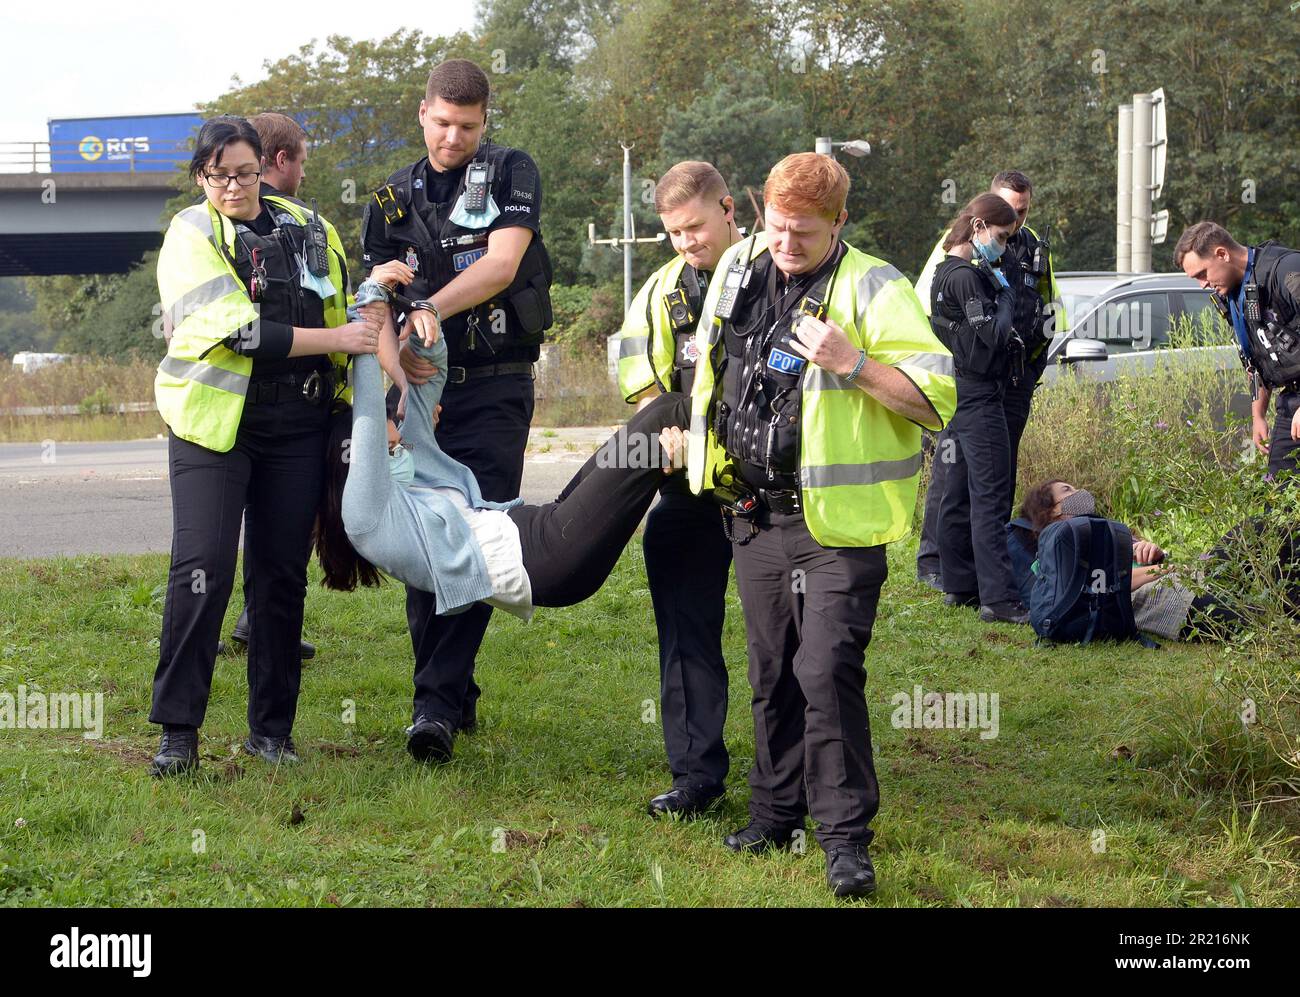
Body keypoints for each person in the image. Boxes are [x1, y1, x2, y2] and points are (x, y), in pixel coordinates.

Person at [686, 153, 957, 898]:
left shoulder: (876, 286)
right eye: (776, 228)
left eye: (803, 233)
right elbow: (713, 364)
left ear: (840, 221)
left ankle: (844, 841)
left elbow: (935, 400)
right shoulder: (739, 266)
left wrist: (854, 362)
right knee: (773, 674)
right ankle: (774, 815)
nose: (786, 244)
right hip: (752, 512)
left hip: (837, 526)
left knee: (826, 671)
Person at [315, 281, 691, 715]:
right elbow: (364, 414)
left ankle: (720, 449)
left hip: (540, 525)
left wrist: (422, 319)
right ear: (353, 455)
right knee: (664, 413)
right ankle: (752, 437)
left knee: (644, 436)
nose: (390, 413)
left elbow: (428, 379)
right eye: (384, 421)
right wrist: (367, 310)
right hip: (547, 560)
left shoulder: (406, 464)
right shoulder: (366, 518)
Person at [148, 116, 382, 777]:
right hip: (213, 429)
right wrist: (338, 343)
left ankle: (271, 732)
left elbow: (346, 319)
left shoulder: (312, 228)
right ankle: (178, 733)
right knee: (204, 569)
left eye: (245, 172)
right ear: (201, 176)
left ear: (263, 168)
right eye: (218, 175)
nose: (233, 186)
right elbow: (242, 334)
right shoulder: (191, 234)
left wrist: (373, 401)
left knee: (281, 577)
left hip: (298, 428)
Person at [360, 58, 553, 762]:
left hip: (497, 382)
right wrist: (396, 373)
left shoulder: (510, 172)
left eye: (467, 126)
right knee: (425, 534)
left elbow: (502, 266)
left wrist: (431, 309)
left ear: (484, 121)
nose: (452, 138)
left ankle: (433, 702)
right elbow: (373, 304)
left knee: (480, 530)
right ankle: (446, 694)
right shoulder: (388, 202)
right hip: (425, 392)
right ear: (422, 113)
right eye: (442, 123)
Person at [611, 161, 740, 819]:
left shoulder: (774, 272)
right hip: (692, 487)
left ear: (728, 208)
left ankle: (796, 771)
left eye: (695, 227)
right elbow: (637, 366)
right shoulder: (664, 289)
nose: (687, 242)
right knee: (687, 630)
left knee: (793, 640)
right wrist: (661, 416)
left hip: (770, 488)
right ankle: (696, 775)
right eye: (674, 233)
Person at [915, 171, 1063, 589]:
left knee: (998, 477)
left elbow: (1050, 307)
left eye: (1023, 210)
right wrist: (951, 374)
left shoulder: (1033, 246)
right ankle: (935, 563)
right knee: (953, 475)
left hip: (1015, 376)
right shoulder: (958, 249)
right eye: (1009, 211)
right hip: (967, 379)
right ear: (984, 210)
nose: (1016, 220)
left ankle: (979, 576)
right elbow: (930, 314)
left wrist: (1033, 367)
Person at [220, 110, 317, 661]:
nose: (302, 172)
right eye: (300, 159)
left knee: (261, 529)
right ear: (280, 160)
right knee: (266, 532)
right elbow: (247, 331)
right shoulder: (297, 227)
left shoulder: (290, 227)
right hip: (255, 408)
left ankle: (256, 620)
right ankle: (258, 619)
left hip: (261, 408)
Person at [930, 192, 1031, 625]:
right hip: (981, 395)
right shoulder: (966, 278)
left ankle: (960, 584)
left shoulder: (941, 273)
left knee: (957, 493)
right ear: (978, 228)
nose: (1004, 247)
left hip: (958, 394)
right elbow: (991, 333)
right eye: (1003, 237)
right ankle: (999, 599)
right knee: (990, 497)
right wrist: (1006, 299)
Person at [1015, 480, 1289, 639]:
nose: (1078, 492)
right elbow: (1101, 587)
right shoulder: (1056, 548)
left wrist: (1152, 552)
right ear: (1051, 512)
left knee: (1259, 527)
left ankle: (1290, 597)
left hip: (1190, 574)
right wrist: (1160, 569)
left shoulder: (1105, 529)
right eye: (1067, 490)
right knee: (1257, 619)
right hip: (1163, 598)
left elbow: (1150, 561)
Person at [1175, 221, 1300, 482]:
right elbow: (1255, 360)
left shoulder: (1286, 269)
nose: (1202, 285)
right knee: (1281, 503)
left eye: (1202, 274)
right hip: (1291, 402)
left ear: (1222, 254)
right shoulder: (1235, 296)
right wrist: (1258, 416)